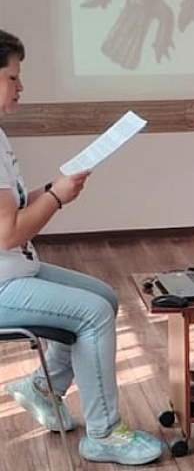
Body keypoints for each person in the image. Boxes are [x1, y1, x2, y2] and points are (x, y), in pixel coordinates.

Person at [0, 29, 164, 465]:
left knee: (103, 297)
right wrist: (57, 197)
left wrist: (52, 189)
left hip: (11, 268)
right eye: (13, 77)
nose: (21, 87)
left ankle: (42, 386)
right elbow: (8, 233)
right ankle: (104, 433)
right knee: (91, 314)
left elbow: (11, 211)